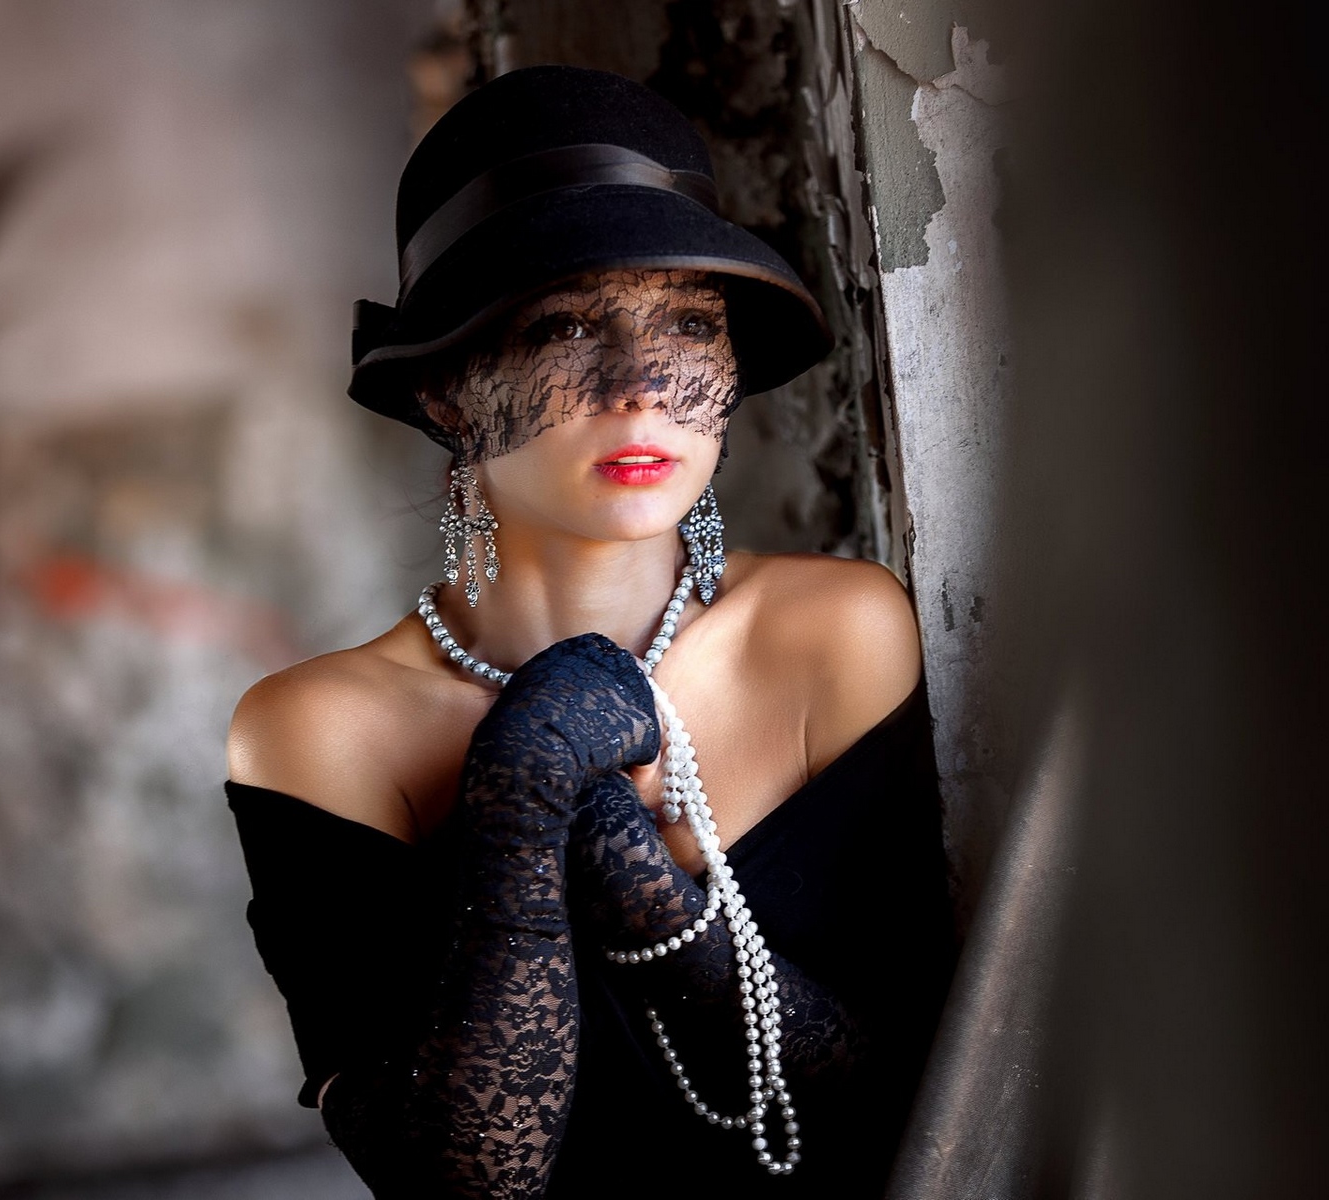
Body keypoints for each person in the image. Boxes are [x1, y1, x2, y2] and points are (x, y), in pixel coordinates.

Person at [222, 67, 955, 1197]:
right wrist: (521, 792)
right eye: (563, 324)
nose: (642, 384)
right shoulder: (318, 732)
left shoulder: (836, 634)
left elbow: (912, 1085)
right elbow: (461, 1184)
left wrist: (644, 891)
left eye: (689, 322)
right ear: (445, 393)